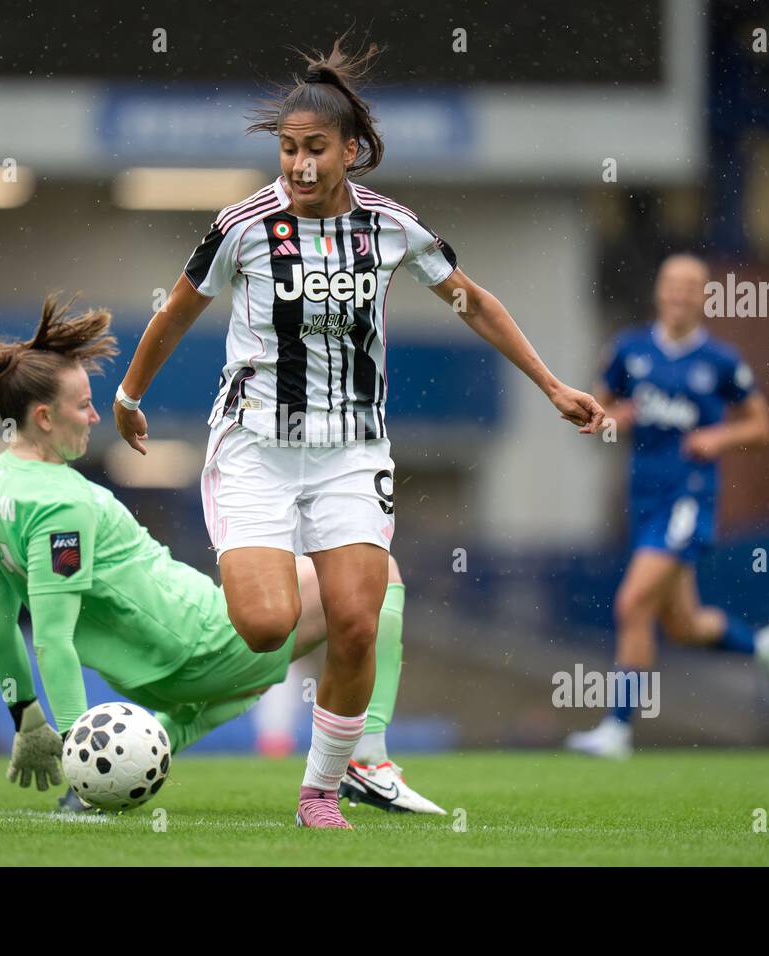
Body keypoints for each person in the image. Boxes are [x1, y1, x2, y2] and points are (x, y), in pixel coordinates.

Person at [111, 34, 604, 827]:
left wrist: (551, 384)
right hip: (255, 450)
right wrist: (132, 392)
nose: (299, 166)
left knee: (354, 621)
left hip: (350, 452)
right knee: (268, 623)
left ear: (352, 151)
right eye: (287, 150)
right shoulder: (242, 226)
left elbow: (471, 300)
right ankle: (302, 578)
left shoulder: (390, 227)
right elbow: (177, 309)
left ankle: (322, 789)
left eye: (315, 150)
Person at [0, 294, 444, 815]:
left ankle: (116, 775)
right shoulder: (64, 503)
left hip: (152, 678)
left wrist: (25, 713)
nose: (96, 416)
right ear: (43, 417)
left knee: (246, 686)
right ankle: (365, 758)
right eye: (82, 406)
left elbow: (1, 624)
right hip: (204, 640)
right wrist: (81, 749)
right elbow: (52, 640)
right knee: (381, 571)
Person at [565, 254, 769, 759]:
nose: (679, 295)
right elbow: (608, 410)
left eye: (690, 288)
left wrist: (719, 436)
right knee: (683, 625)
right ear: (659, 292)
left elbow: (762, 426)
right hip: (644, 498)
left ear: (704, 297)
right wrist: (608, 422)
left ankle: (617, 728)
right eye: (672, 286)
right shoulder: (630, 350)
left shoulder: (721, 361)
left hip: (689, 500)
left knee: (631, 603)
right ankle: (763, 646)